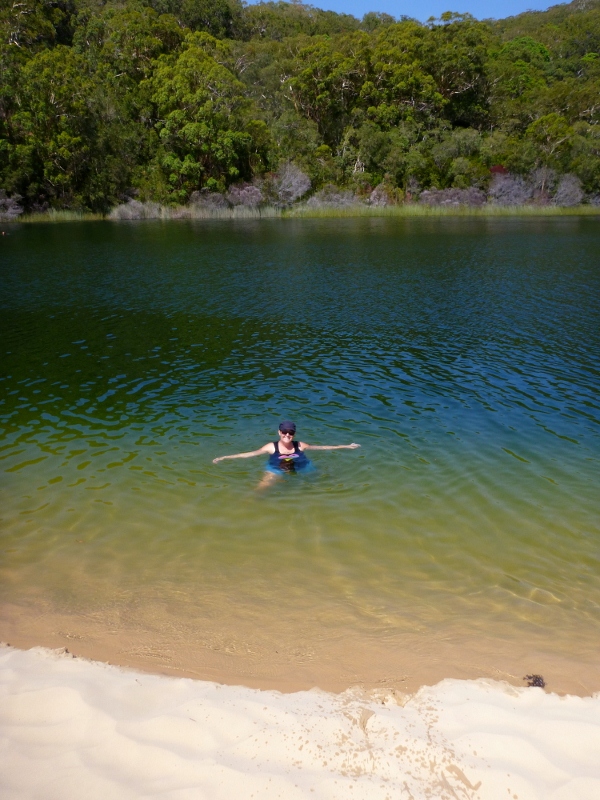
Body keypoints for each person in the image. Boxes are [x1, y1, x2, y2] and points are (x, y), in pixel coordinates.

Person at [213, 421, 360, 489]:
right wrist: (224, 457)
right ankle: (248, 506)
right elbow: (250, 454)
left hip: (303, 467)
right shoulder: (271, 447)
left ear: (294, 434)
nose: (287, 435)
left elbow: (322, 447)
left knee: (326, 482)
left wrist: (346, 446)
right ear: (279, 432)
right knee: (260, 489)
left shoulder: (300, 445)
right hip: (276, 469)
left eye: (290, 432)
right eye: (284, 432)